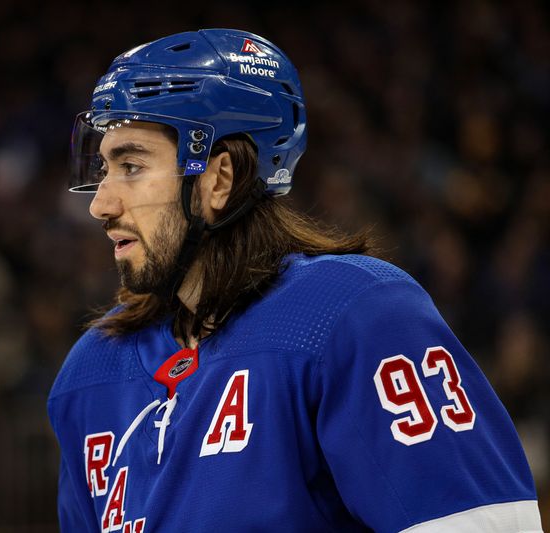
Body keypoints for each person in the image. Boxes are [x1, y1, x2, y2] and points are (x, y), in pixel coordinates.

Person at [47, 29, 542, 532]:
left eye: (131, 166)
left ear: (219, 179)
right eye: (104, 168)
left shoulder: (358, 315)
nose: (100, 205)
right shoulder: (90, 373)